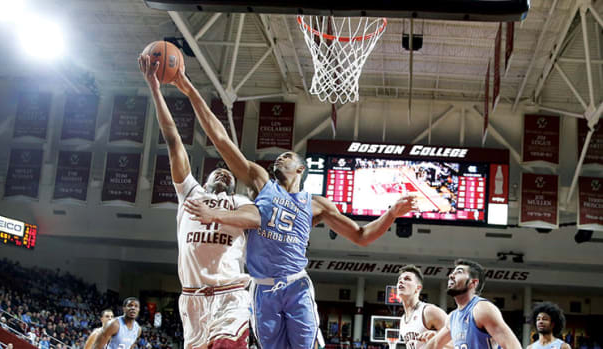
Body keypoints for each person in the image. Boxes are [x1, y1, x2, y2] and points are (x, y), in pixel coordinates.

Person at [164, 56, 416, 348]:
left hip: (295, 285)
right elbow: (220, 138)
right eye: (279, 156)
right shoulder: (261, 182)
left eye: (289, 155)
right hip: (262, 290)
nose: (282, 156)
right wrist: (187, 88)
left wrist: (392, 212)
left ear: (301, 169)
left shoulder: (316, 204)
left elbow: (362, 236)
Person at [139, 55, 260, 349]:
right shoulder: (190, 193)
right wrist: (155, 87)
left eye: (227, 172)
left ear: (233, 183)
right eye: (216, 171)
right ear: (204, 181)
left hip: (230, 293)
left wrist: (212, 215)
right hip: (191, 299)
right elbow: (172, 139)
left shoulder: (242, 200)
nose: (222, 171)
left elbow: (255, 220)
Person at [425, 259, 522, 349]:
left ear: (473, 282)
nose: (451, 276)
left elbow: (513, 346)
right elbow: (435, 344)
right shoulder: (452, 317)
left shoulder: (481, 309)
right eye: (452, 272)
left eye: (459, 272)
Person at [396, 265, 449, 349]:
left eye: (407, 279)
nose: (401, 281)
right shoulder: (403, 320)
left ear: (418, 288)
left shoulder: (429, 311)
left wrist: (437, 338)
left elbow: (460, 339)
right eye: (399, 280)